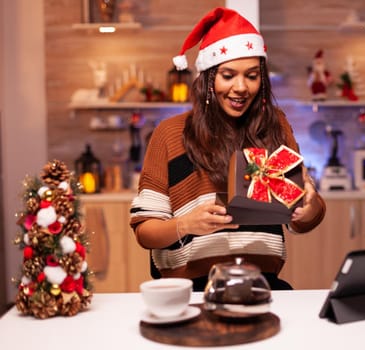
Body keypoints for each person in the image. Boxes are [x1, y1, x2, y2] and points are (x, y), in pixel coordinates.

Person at [130, 7, 326, 291]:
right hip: (192, 291)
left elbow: (305, 218)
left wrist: (307, 208)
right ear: (209, 78)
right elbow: (145, 232)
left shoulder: (276, 127)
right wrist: (186, 225)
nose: (241, 87)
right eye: (228, 75)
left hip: (264, 286)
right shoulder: (170, 134)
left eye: (252, 75)